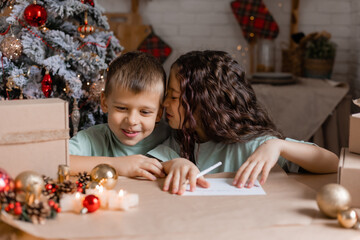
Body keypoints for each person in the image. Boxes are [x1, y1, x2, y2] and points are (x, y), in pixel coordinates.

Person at [148, 50, 339, 195]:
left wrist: (277, 145)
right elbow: (151, 164)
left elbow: (332, 163)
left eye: (173, 97)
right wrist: (173, 163)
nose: (164, 104)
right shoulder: (179, 139)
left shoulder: (254, 146)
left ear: (204, 103)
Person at [69, 51, 170, 181]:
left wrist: (180, 164)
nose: (132, 121)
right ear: (104, 103)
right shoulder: (92, 139)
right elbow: (55, 162)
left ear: (159, 113)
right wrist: (116, 165)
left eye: (145, 112)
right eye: (122, 108)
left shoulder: (169, 137)